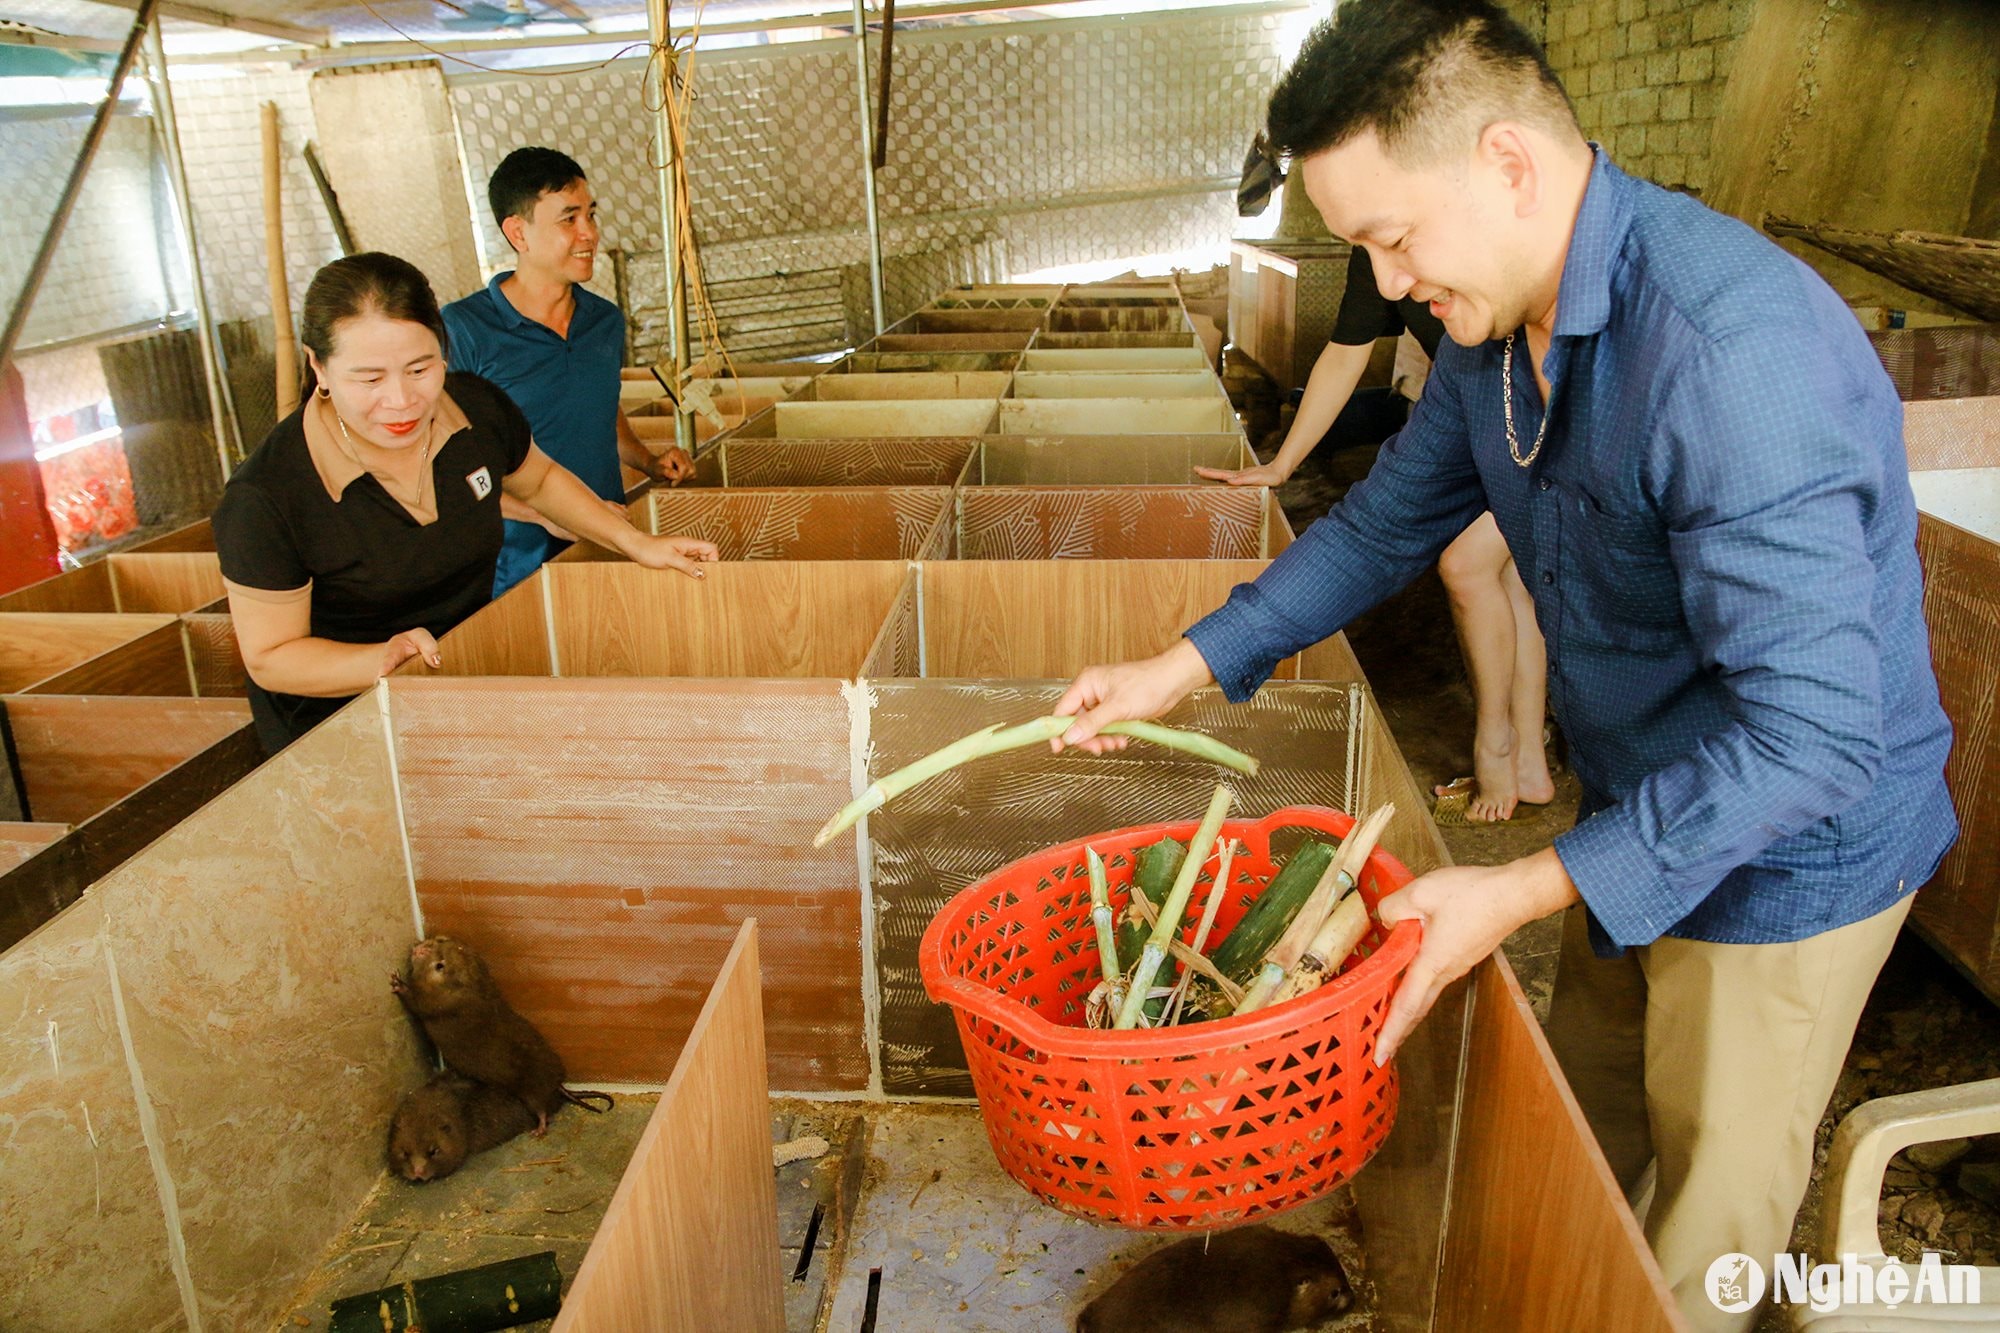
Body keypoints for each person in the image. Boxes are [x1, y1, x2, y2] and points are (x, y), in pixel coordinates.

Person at [1048, 3, 1956, 1328]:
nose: (1392, 279)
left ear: (1510, 164)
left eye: (1394, 237)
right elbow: (1382, 524)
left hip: (1788, 863)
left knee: (1703, 1222)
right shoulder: (1492, 339)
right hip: (1640, 806)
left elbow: (1815, 742)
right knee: (1576, 1141)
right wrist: (1184, 666)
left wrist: (1521, 885)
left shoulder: (1727, 356)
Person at [215, 252, 717, 754]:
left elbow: (538, 479)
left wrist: (634, 543)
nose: (401, 399)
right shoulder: (267, 497)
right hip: (340, 731)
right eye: (369, 379)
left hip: (461, 687)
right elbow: (271, 656)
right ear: (318, 367)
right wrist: (380, 660)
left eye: (420, 367)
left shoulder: (475, 408)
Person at [1200, 244, 1552, 823]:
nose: (1391, 281)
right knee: (1510, 579)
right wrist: (1284, 462)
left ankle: (1498, 741)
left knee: (1468, 566)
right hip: (1473, 410)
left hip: (1530, 413)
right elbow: (1344, 354)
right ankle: (1531, 761)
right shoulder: (1378, 257)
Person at [442, 146, 695, 598]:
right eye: (569, 219)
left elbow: (597, 405)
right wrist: (540, 511)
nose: (590, 234)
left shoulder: (604, 321)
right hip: (510, 565)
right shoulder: (464, 329)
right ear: (518, 232)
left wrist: (646, 460)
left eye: (591, 216)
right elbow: (442, 468)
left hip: (605, 539)